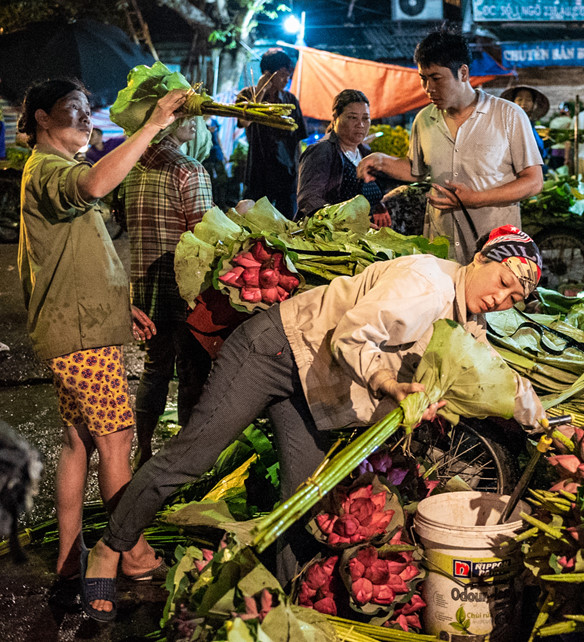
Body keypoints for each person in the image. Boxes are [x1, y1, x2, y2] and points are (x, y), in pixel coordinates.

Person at [81, 225, 547, 618]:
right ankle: (109, 548)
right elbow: (352, 336)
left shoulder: (465, 318)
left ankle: (277, 604)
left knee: (303, 495)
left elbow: (490, 373)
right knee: (193, 456)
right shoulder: (427, 284)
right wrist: (390, 385)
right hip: (274, 351)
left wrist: (542, 421)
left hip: (311, 383)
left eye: (514, 297)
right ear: (484, 257)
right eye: (503, 281)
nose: (501, 298)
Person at [17, 79, 185, 605]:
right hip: (81, 337)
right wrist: (154, 124)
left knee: (80, 443)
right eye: (73, 110)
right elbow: (92, 187)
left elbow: (80, 255)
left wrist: (120, 306)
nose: (86, 119)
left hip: (80, 325)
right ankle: (130, 553)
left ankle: (71, 557)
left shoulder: (54, 170)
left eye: (89, 111)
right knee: (116, 442)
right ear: (42, 118)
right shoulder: (49, 171)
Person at [357, 29, 543, 265]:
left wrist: (476, 199)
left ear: (463, 72)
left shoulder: (508, 115)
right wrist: (381, 161)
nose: (428, 88)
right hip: (441, 249)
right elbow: (416, 169)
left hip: (493, 253)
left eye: (436, 78)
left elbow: (533, 181)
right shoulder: (424, 119)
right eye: (423, 78)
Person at [119, 116, 214, 469]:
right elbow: (207, 233)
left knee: (155, 367)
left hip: (144, 282)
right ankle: (186, 461)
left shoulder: (130, 166)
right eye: (186, 116)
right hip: (185, 285)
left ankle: (142, 452)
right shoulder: (189, 169)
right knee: (193, 371)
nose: (194, 123)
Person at [237, 48, 308, 219]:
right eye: (282, 74)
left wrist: (300, 171)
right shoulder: (247, 95)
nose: (286, 80)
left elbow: (297, 139)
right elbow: (243, 122)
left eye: (288, 75)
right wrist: (260, 91)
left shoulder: (290, 101)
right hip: (259, 173)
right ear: (268, 74)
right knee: (255, 223)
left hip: (287, 173)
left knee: (287, 222)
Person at [297, 89, 385, 221]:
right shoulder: (322, 151)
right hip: (330, 236)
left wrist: (379, 207)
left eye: (365, 118)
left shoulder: (365, 152)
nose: (360, 124)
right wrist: (341, 222)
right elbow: (309, 199)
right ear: (335, 118)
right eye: (352, 117)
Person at [501, 85, 549, 162]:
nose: (524, 103)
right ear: (512, 102)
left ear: (533, 104)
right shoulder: (506, 124)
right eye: (520, 99)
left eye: (528, 100)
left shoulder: (530, 124)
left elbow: (539, 150)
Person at [546, 101, 574, 171]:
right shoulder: (570, 121)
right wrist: (567, 158)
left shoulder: (553, 121)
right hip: (565, 151)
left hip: (554, 150)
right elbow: (569, 139)